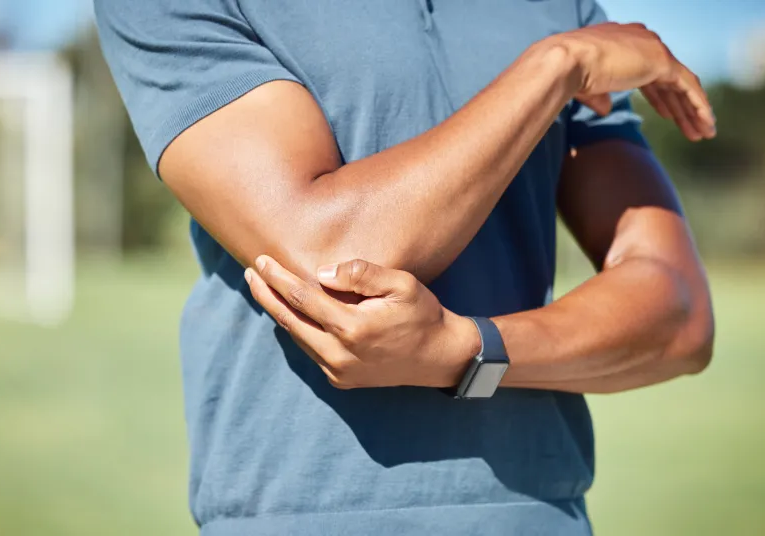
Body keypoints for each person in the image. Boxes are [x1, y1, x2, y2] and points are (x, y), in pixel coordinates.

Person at [95, 1, 716, 534]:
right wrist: (554, 67)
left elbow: (679, 316)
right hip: (299, 513)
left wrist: (467, 351)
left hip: (537, 511)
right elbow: (331, 255)